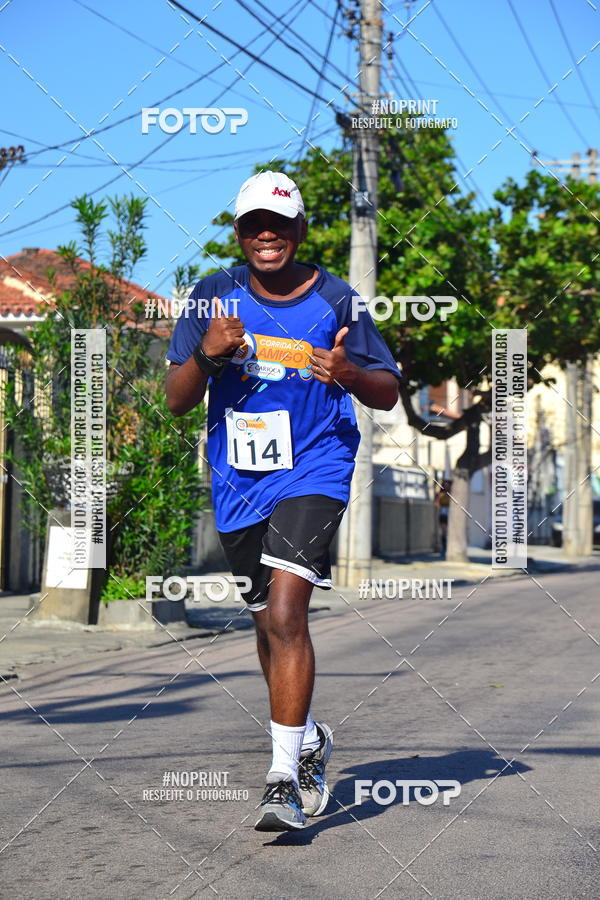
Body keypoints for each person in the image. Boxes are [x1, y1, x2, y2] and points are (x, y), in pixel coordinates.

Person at [165, 171, 401, 831]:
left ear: (298, 231)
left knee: (290, 611)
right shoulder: (212, 297)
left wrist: (350, 373)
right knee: (268, 623)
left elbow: (386, 389)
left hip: (315, 468)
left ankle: (281, 782)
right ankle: (306, 741)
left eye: (278, 223)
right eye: (252, 225)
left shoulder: (337, 300)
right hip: (239, 480)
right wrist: (209, 358)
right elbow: (177, 400)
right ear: (239, 234)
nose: (265, 235)